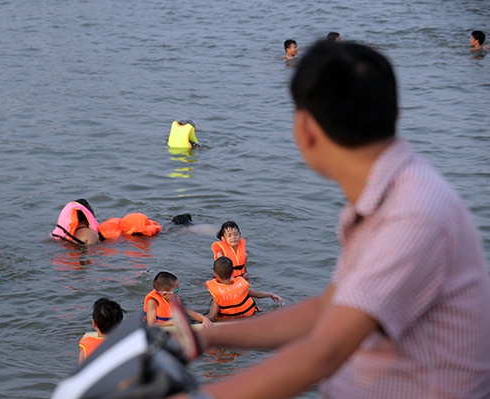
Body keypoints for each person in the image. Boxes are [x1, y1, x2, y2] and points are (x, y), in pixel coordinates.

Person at [171, 41, 490, 399]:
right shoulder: (397, 193)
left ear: (304, 129)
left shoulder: (411, 215)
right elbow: (326, 309)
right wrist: (211, 334)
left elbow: (324, 353)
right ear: (397, 113)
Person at [206, 257, 283, 322]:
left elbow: (212, 317)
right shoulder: (241, 286)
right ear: (232, 272)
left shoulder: (218, 293)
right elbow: (258, 294)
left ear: (215, 274)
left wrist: (201, 319)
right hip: (250, 317)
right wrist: (271, 294)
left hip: (229, 322)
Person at [144, 271, 211, 329]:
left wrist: (204, 319)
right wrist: (169, 323)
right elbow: (151, 325)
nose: (178, 292)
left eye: (178, 288)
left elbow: (192, 314)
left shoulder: (173, 298)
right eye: (176, 290)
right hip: (161, 330)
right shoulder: (153, 302)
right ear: (164, 294)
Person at [78, 298, 124, 365]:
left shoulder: (85, 350)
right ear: (119, 324)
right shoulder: (124, 344)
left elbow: (81, 373)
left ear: (94, 323)